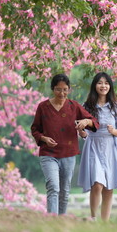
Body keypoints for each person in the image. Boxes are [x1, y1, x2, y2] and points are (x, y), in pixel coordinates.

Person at [30, 73, 98, 215]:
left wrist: (85, 122)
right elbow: (35, 129)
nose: (62, 93)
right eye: (58, 89)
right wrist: (44, 139)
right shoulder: (43, 107)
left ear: (69, 89)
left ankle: (62, 219)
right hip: (48, 154)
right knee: (53, 187)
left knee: (65, 190)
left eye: (65, 89)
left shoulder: (74, 106)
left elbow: (94, 122)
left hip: (68, 154)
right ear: (52, 89)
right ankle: (53, 219)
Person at [77, 72, 117, 221]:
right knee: (97, 183)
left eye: (106, 83)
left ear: (110, 86)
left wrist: (114, 131)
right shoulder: (87, 106)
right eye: (100, 83)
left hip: (111, 148)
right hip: (93, 145)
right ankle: (93, 218)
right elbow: (84, 132)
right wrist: (81, 133)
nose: (103, 86)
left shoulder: (115, 107)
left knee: (109, 188)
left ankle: (105, 223)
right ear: (95, 85)